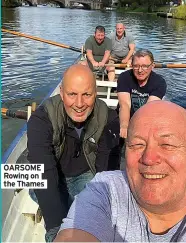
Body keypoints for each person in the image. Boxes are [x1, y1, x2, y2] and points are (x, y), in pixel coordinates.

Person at [55, 101, 186, 242]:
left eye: (167, 144)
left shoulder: (107, 117)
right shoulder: (106, 188)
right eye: (137, 144)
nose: (148, 158)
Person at [27, 64, 120, 242]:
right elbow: (44, 173)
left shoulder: (109, 119)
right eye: (72, 94)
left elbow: (105, 175)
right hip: (51, 173)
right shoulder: (40, 120)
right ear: (61, 93)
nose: (79, 104)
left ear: (96, 93)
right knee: (29, 183)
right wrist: (55, 232)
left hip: (85, 175)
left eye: (86, 94)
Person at [117, 49, 166, 138]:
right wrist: (124, 126)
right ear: (131, 65)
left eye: (144, 66)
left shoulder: (160, 82)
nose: (140, 70)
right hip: (124, 117)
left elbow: (148, 109)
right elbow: (124, 105)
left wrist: (136, 130)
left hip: (147, 118)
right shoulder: (124, 77)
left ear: (152, 66)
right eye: (136, 66)